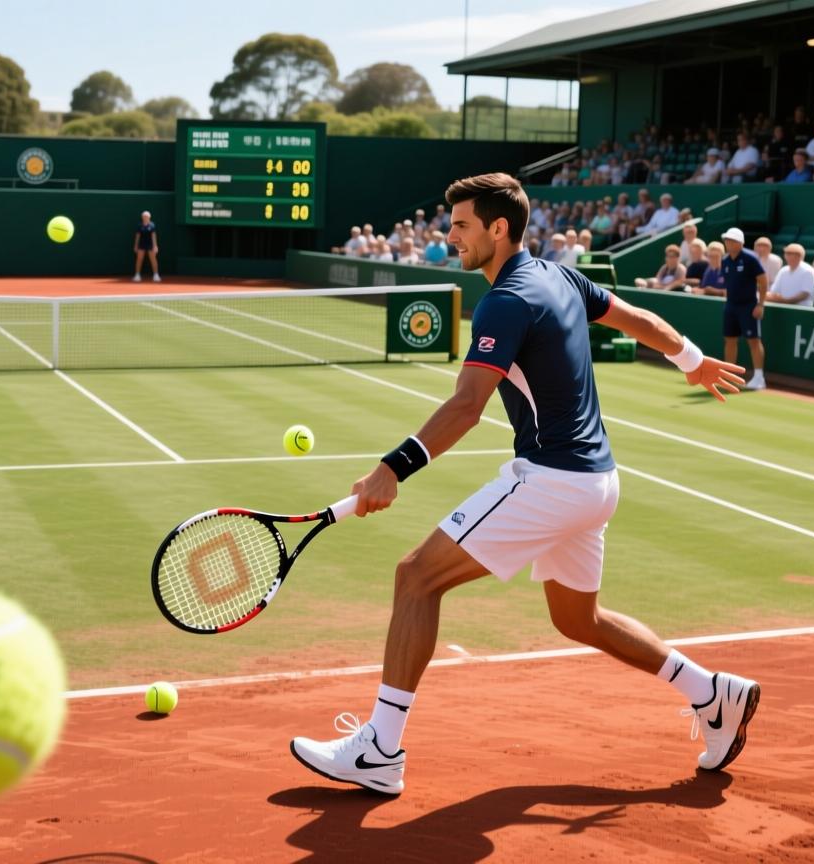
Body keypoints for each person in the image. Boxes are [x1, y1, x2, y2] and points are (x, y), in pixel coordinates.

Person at [289, 172, 757, 796]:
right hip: (598, 482)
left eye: (462, 225)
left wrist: (391, 469)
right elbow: (638, 319)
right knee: (579, 620)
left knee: (416, 578)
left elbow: (466, 406)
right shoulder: (561, 276)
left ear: (499, 227)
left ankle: (380, 749)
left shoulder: (505, 301)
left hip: (553, 481)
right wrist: (692, 362)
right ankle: (712, 692)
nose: (451, 236)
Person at [698, 228, 768, 391]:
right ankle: (729, 376)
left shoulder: (750, 258)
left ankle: (759, 377)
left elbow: (763, 281)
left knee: (754, 341)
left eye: (731, 240)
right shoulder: (725, 261)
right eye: (726, 240)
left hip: (749, 306)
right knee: (730, 340)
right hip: (731, 306)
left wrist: (760, 304)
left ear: (739, 243)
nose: (727, 243)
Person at [133, 210, 161, 282]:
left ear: (149, 217)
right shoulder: (140, 225)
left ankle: (156, 275)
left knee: (153, 259)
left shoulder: (152, 225)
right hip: (141, 244)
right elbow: (137, 236)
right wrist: (136, 245)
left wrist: (155, 246)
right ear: (142, 217)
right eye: (144, 216)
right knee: (139, 259)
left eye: (146, 216)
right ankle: (137, 275)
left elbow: (153, 236)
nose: (145, 218)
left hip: (150, 245)